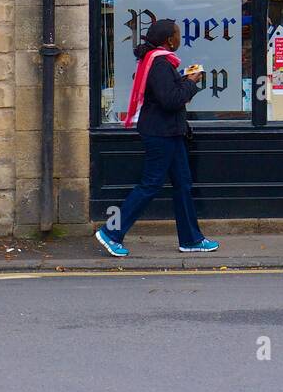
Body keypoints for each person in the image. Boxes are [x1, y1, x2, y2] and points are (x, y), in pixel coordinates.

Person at [94, 18, 219, 257]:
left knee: (182, 184)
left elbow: (166, 94)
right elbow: (170, 100)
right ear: (169, 40)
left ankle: (191, 239)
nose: (180, 38)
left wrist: (183, 80)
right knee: (150, 185)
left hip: (171, 132)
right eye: (178, 34)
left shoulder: (159, 61)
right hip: (161, 134)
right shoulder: (160, 63)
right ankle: (111, 232)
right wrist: (191, 83)